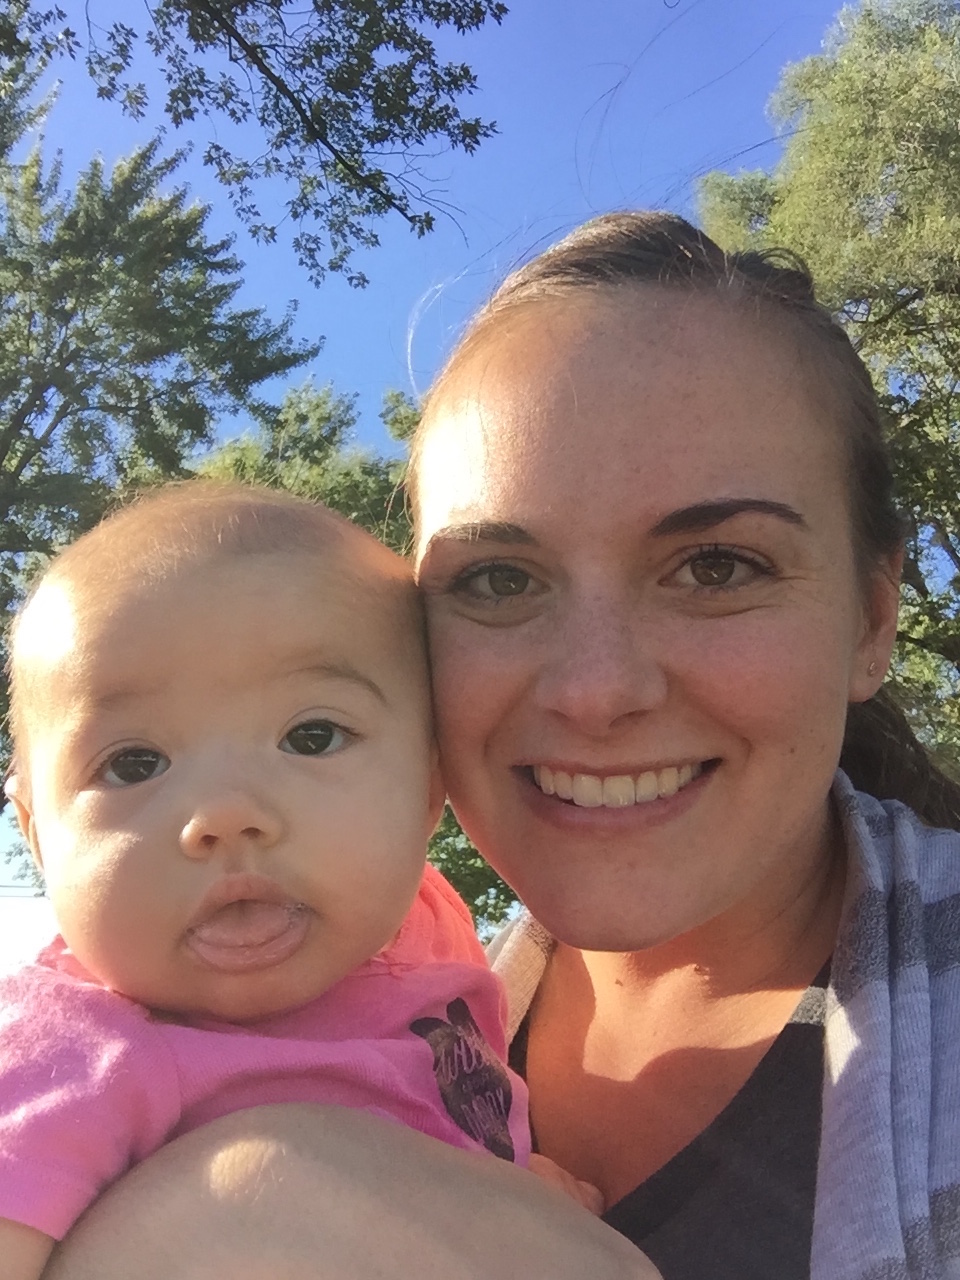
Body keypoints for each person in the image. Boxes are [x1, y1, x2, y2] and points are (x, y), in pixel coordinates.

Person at [43, 212, 960, 1280]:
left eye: (717, 567)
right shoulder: (396, 999)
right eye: (498, 579)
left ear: (872, 619)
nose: (594, 690)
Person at [0, 483, 602, 1280]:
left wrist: (519, 1186)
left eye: (312, 736)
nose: (225, 815)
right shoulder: (71, 1057)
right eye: (134, 764)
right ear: (37, 832)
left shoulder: (429, 929)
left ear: (430, 786)